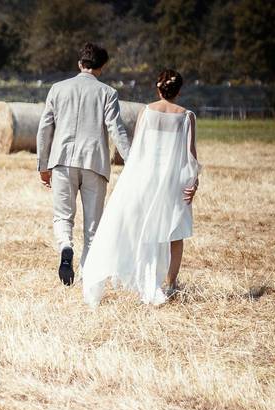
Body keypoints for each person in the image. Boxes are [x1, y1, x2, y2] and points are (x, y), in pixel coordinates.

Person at [81, 69, 201, 306]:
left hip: (148, 178)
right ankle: (171, 283)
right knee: (174, 233)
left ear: (158, 89)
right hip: (174, 182)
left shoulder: (147, 112)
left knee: (145, 226)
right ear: (179, 90)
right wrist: (193, 182)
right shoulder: (187, 116)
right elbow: (191, 155)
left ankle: (146, 276)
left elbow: (137, 150)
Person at [36, 42, 132, 286]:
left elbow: (45, 128)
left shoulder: (57, 89)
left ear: (80, 63)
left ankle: (66, 246)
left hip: (61, 160)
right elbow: (116, 130)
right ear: (102, 67)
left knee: (62, 216)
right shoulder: (108, 93)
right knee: (92, 227)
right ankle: (86, 278)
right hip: (94, 163)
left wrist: (43, 165)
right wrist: (131, 162)